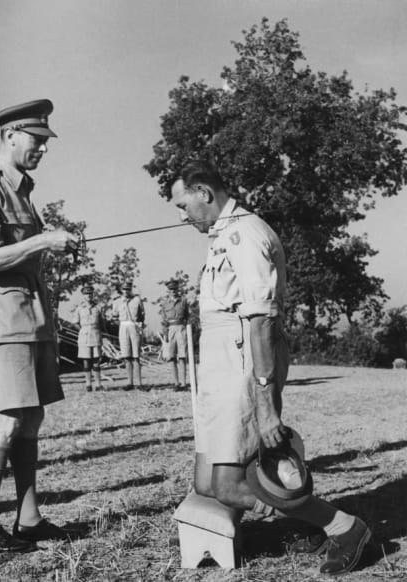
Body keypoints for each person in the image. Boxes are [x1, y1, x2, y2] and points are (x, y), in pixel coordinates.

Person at [170, 160, 371, 576]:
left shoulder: (246, 235)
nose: (181, 215)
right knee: (207, 485)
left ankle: (344, 527)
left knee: (228, 485)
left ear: (204, 192)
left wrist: (265, 407)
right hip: (219, 362)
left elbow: (261, 323)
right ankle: (303, 520)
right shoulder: (223, 235)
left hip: (242, 361)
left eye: (182, 204)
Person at [0, 99, 79, 552]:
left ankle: (28, 519)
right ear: (11, 136)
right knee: (7, 419)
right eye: (37, 140)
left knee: (31, 417)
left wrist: (50, 244)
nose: (43, 149)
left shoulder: (20, 189)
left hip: (31, 318)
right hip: (3, 322)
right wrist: (46, 239)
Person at [111, 281, 145, 390]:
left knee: (136, 356)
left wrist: (138, 326)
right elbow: (114, 315)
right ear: (121, 290)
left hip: (134, 326)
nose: (126, 291)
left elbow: (141, 315)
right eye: (124, 289)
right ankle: (130, 382)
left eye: (128, 289)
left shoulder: (137, 300)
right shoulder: (117, 302)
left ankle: (139, 383)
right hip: (123, 327)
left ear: (131, 289)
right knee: (127, 356)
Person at [160, 280, 189, 391]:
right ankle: (176, 383)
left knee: (182, 357)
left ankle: (183, 383)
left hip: (181, 328)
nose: (173, 291)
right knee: (171, 357)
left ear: (178, 289)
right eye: (171, 289)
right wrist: (165, 334)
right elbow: (163, 320)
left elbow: (187, 316)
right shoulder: (165, 303)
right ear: (168, 291)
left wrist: (186, 329)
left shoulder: (183, 301)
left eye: (175, 289)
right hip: (170, 329)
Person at [75, 284, 104, 391]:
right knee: (86, 360)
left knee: (96, 360)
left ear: (93, 295)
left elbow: (102, 322)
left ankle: (98, 384)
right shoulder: (79, 308)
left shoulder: (98, 307)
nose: (88, 296)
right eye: (86, 294)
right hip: (84, 336)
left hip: (96, 334)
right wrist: (83, 330)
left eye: (90, 293)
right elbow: (76, 322)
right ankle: (88, 384)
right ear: (83, 295)